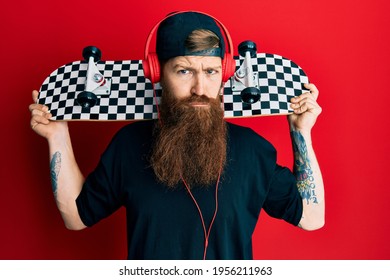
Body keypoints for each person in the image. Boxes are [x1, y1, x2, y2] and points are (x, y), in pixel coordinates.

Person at [29, 11, 324, 260]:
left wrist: (301, 131)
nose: (199, 88)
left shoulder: (253, 150)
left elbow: (312, 218)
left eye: (210, 72)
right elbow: (76, 217)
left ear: (224, 74)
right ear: (157, 73)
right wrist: (57, 135)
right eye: (183, 71)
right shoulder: (129, 145)